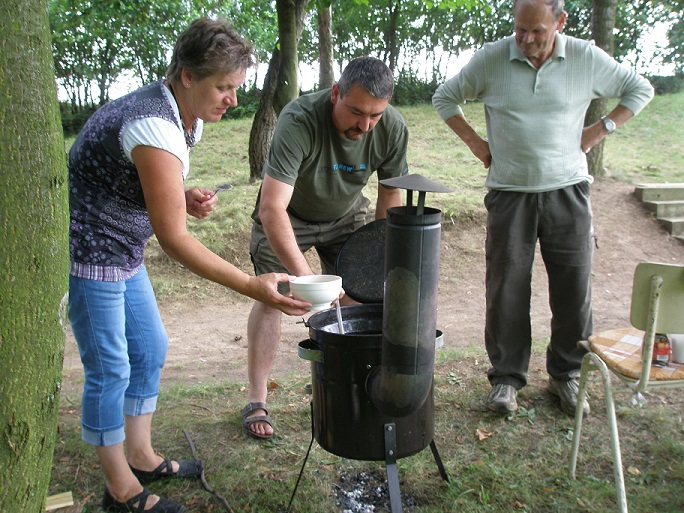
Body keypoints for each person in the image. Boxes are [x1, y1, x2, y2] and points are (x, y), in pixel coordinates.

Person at [68, 18, 310, 513]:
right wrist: (251, 284)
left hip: (124, 243)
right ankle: (120, 489)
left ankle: (139, 454)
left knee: (150, 346)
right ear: (186, 76)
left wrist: (178, 194)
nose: (233, 100)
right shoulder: (154, 123)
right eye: (223, 87)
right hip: (90, 248)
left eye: (236, 88)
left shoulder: (186, 117)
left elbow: (142, 180)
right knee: (110, 367)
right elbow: (174, 240)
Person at [432, 0, 654, 417]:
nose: (526, 39)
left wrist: (597, 130)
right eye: (520, 30)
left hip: (568, 191)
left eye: (537, 31)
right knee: (506, 289)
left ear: (560, 22)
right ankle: (506, 379)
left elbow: (640, 89)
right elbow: (445, 98)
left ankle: (566, 376)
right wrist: (478, 145)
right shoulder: (492, 59)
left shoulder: (585, 57)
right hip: (509, 194)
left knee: (573, 288)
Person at [243, 56, 409, 439]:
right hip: (289, 217)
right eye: (355, 111)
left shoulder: (392, 128)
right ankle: (256, 399)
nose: (365, 125)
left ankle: (349, 385)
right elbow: (272, 208)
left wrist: (377, 260)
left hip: (346, 217)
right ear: (335, 93)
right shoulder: (298, 119)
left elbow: (391, 194)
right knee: (275, 296)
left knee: (361, 298)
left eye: (375, 116)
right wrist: (310, 282)